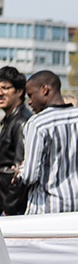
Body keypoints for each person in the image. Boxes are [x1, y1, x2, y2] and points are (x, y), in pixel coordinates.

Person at [15, 70, 78, 214]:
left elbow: (29, 176)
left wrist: (19, 173)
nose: (30, 102)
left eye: (31, 95)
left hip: (46, 211)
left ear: (45, 89)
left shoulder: (37, 123)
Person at [0, 66, 31, 216]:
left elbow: (20, 172)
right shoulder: (8, 120)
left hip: (12, 210)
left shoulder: (21, 122)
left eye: (5, 88)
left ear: (19, 91)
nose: (0, 93)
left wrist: (8, 209)